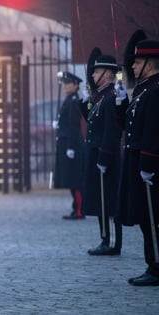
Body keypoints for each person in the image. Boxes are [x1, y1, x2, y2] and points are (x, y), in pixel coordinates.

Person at [117, 35, 159, 286]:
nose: (132, 66)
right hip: (138, 162)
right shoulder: (144, 89)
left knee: (152, 217)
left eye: (137, 61)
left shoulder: (154, 91)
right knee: (145, 217)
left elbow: (153, 132)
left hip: (149, 165)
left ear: (150, 63)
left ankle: (156, 267)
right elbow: (128, 125)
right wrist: (121, 105)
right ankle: (152, 263)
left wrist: (148, 165)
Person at [78, 50, 123, 256]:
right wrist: (85, 102)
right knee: (100, 199)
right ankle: (104, 238)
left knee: (108, 201)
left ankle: (111, 242)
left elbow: (111, 131)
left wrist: (105, 157)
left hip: (105, 156)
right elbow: (93, 122)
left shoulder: (111, 97)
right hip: (97, 155)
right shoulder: (101, 97)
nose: (93, 76)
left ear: (107, 73)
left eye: (97, 72)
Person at [54, 71, 85, 220]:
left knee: (74, 178)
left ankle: (79, 209)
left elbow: (74, 126)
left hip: (71, 143)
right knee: (70, 178)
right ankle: (76, 208)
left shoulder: (73, 101)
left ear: (76, 85)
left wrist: (71, 147)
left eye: (69, 84)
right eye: (65, 84)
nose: (66, 86)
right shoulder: (69, 99)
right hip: (65, 141)